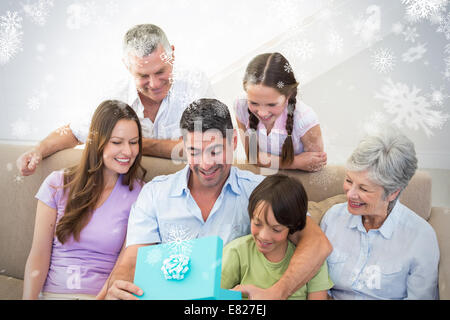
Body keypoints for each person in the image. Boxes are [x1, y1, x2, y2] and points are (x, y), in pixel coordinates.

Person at [103, 98, 332, 300]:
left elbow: (317, 243)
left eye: (214, 151)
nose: (205, 164)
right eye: (194, 151)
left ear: (233, 142)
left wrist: (277, 292)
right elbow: (133, 261)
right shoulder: (155, 193)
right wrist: (119, 289)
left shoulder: (260, 191)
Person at [17, 23, 214, 176]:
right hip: (129, 189)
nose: (154, 84)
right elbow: (75, 132)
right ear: (127, 67)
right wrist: (38, 150)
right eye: (143, 76)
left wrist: (130, 143)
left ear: (172, 54)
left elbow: (202, 147)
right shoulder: (114, 94)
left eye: (160, 71)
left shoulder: (195, 84)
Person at [22, 100, 147, 300]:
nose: (128, 151)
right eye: (117, 142)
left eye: (134, 142)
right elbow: (38, 255)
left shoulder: (141, 194)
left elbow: (125, 264)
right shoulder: (56, 184)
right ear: (97, 142)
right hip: (54, 293)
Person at [320, 129, 440, 300]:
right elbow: (318, 284)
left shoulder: (421, 237)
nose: (350, 194)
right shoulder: (332, 218)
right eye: (349, 181)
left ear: (392, 193)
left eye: (363, 188)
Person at [221, 174, 333, 299]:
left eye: (276, 229)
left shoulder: (313, 262)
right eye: (257, 223)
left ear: (293, 225)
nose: (263, 236)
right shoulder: (236, 253)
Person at [234, 52, 327, 171]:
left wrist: (269, 160)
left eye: (271, 104)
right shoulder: (241, 105)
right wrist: (295, 162)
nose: (262, 113)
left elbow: (315, 166)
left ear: (288, 95)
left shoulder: (305, 119)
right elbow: (252, 157)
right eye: (254, 103)